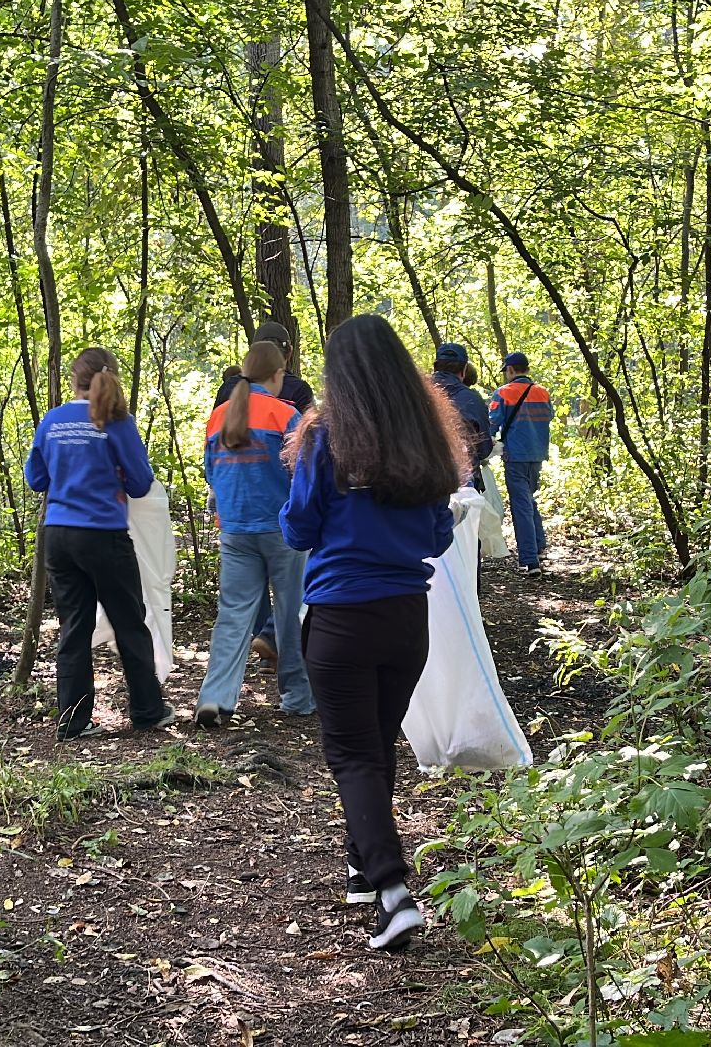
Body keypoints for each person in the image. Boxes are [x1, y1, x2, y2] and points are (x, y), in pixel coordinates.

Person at [281, 313, 462, 953]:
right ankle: (363, 868)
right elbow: (440, 534)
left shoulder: (327, 435)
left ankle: (392, 891)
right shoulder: (423, 437)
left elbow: (300, 528)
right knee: (376, 746)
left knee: (354, 754)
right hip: (406, 618)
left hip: (340, 618)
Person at [24, 348, 177, 740]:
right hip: (103, 535)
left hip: (58, 535)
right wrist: (117, 478)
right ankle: (147, 710)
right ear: (110, 377)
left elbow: (37, 479)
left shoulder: (53, 421)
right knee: (129, 621)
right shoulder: (115, 420)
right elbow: (142, 483)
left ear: (73, 379)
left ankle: (72, 722)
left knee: (73, 626)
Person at [196, 342, 313, 728]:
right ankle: (296, 697)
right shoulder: (287, 415)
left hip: (235, 530)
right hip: (281, 531)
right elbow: (304, 475)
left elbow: (211, 473)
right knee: (290, 612)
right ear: (278, 375)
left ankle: (214, 697)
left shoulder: (219, 417)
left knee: (232, 616)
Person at [215, 320, 315, 668]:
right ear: (286, 355)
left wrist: (220, 493)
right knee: (292, 586)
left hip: (234, 504)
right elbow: (305, 449)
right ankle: (276, 641)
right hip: (278, 504)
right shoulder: (297, 392)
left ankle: (265, 637)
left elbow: (215, 450)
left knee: (246, 584)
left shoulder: (228, 391)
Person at [489, 352, 552, 571]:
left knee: (521, 505)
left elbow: (492, 423)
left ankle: (529, 559)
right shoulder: (543, 392)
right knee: (529, 500)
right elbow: (548, 418)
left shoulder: (504, 393)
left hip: (515, 456)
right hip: (537, 455)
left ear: (511, 370)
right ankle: (538, 545)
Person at [429, 342, 492, 486]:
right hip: (461, 478)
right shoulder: (472, 399)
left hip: (421, 477)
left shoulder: (414, 393)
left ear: (435, 367)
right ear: (464, 370)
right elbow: (484, 449)